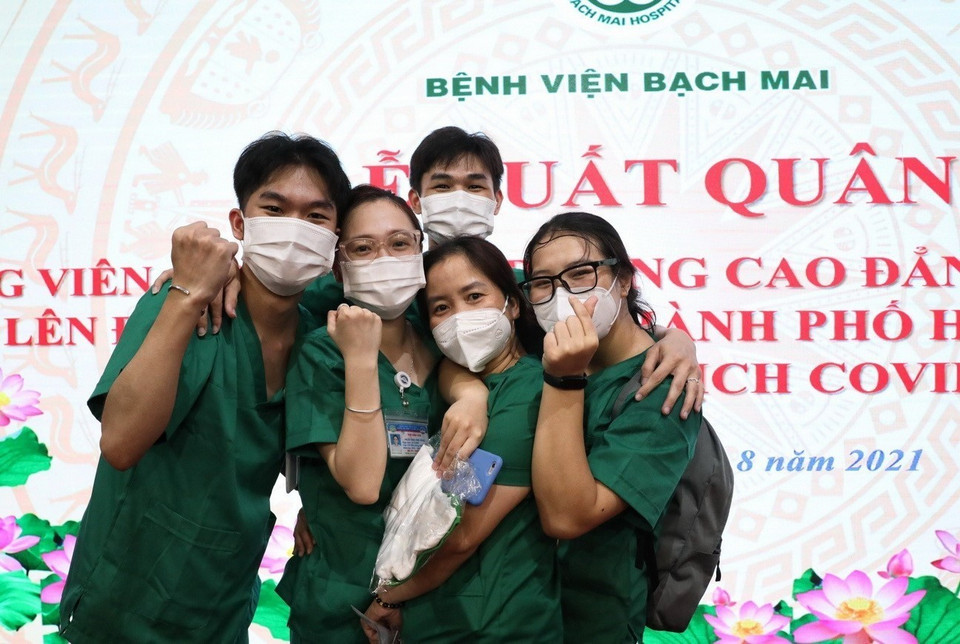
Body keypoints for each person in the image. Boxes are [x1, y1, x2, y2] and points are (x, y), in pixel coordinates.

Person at [58, 132, 351, 642]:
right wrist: (190, 291)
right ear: (240, 224)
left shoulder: (321, 338)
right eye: (275, 209)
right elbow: (121, 443)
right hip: (125, 601)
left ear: (335, 239)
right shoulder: (188, 309)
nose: (294, 230)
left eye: (316, 217)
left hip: (222, 605)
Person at [361, 237, 561, 642]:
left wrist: (388, 599)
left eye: (474, 296)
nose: (459, 317)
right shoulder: (459, 383)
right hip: (443, 617)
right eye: (441, 308)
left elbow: (463, 529)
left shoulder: (528, 393)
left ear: (514, 303)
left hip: (497, 624)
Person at [522, 211, 702, 643]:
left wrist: (565, 378)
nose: (561, 295)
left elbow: (568, 516)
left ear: (622, 280)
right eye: (543, 283)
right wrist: (677, 333)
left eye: (581, 274)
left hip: (591, 624)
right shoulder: (538, 340)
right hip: (512, 616)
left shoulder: (662, 388)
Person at [277, 186, 446, 642]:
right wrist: (361, 361)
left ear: (419, 248)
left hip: (436, 594)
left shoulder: (444, 339)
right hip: (342, 596)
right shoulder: (321, 353)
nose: (384, 258)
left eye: (399, 243)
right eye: (363, 248)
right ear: (339, 264)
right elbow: (363, 483)